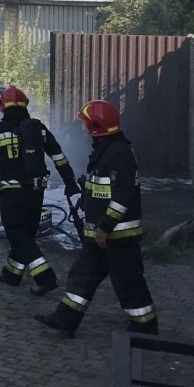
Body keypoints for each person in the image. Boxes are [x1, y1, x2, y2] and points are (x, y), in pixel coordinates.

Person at [37, 101, 158, 338]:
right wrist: (87, 197)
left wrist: (104, 227)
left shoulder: (118, 153)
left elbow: (123, 197)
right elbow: (104, 188)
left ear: (96, 126)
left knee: (127, 281)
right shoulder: (106, 149)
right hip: (101, 237)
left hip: (118, 235)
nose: (83, 129)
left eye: (85, 124)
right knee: (83, 274)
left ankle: (145, 325)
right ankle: (65, 319)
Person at [0, 85, 80, 295]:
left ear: (2, 106)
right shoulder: (38, 128)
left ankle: (45, 277)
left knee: (17, 234)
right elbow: (59, 156)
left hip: (12, 192)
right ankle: (12, 274)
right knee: (25, 235)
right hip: (36, 190)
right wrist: (70, 182)